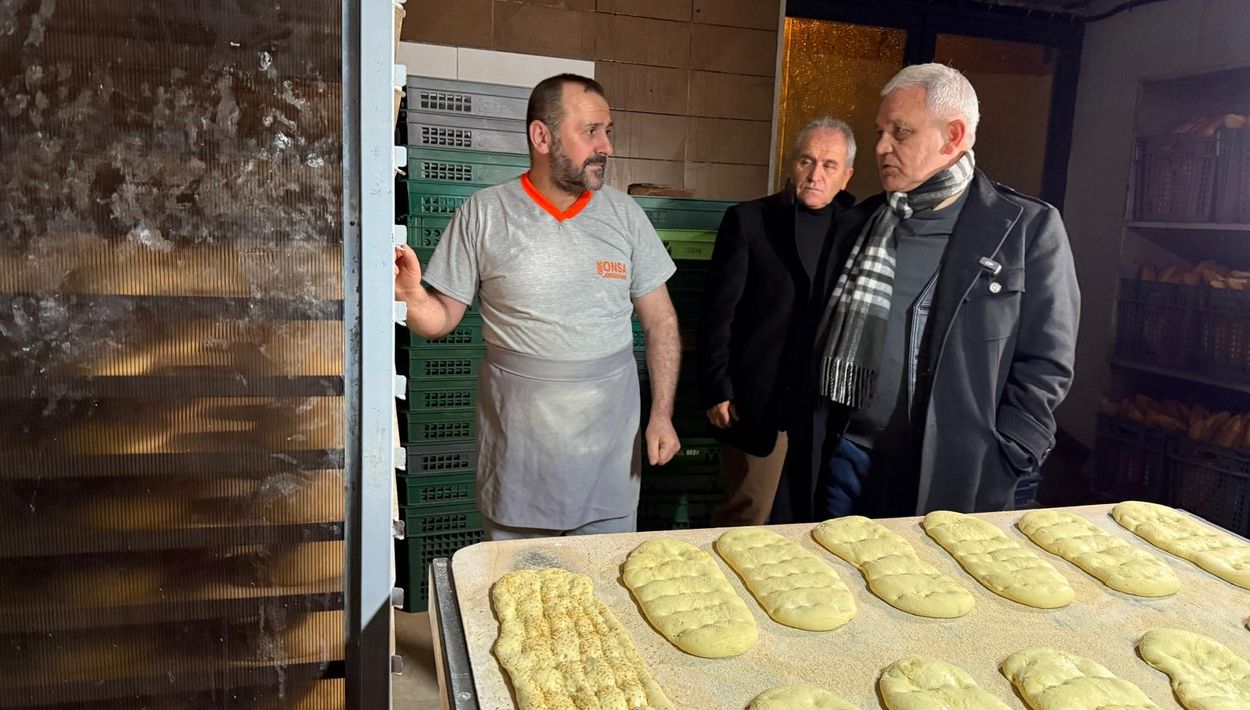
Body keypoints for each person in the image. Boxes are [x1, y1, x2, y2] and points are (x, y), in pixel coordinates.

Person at [393, 73, 682, 540]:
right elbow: (440, 319)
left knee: (601, 576)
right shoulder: (485, 213)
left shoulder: (625, 216)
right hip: (520, 453)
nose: (606, 146)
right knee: (522, 578)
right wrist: (409, 296)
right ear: (542, 136)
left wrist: (662, 414)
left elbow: (662, 321)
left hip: (608, 451)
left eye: (608, 131)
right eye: (591, 131)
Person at [818, 63, 1080, 517]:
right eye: (880, 132)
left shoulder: (1026, 229)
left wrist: (1010, 453)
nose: (881, 147)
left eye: (900, 132)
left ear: (953, 136)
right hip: (845, 456)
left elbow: (1048, 363)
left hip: (955, 471)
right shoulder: (859, 223)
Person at [697, 117, 861, 525]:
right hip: (755, 402)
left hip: (823, 408)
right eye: (807, 161)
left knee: (809, 521)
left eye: (829, 165)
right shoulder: (750, 220)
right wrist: (717, 389)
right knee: (746, 518)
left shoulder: (858, 230)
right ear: (792, 164)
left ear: (846, 175)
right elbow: (717, 314)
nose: (815, 174)